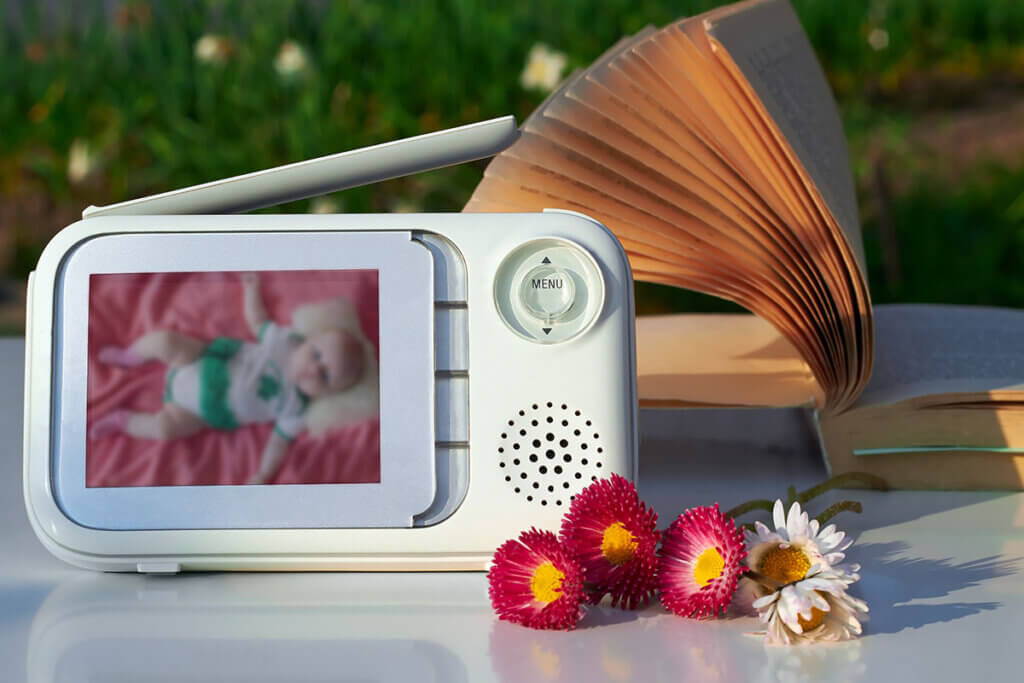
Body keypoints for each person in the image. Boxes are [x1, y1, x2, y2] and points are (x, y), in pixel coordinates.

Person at [89, 271, 378, 484]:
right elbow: (257, 321)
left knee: (165, 429)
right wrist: (251, 290)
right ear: (307, 340)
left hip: (202, 412)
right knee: (165, 341)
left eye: (325, 377)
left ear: (329, 396)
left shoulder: (297, 410)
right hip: (201, 362)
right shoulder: (283, 342)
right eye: (316, 355)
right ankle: (129, 356)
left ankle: (122, 422)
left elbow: (278, 444)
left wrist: (263, 474)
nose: (314, 369)